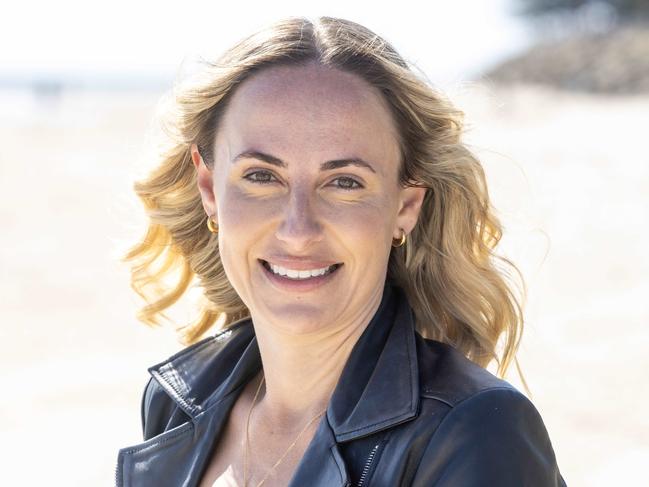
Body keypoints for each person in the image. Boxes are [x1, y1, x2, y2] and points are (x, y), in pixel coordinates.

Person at [116, 16, 567, 487]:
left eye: (344, 182)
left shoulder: (474, 433)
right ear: (209, 188)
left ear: (405, 206)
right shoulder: (178, 404)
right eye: (261, 176)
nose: (298, 229)